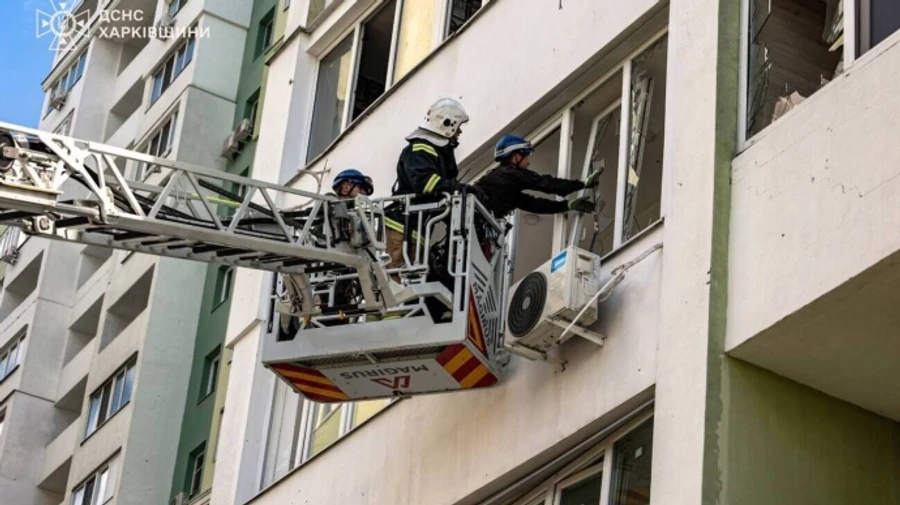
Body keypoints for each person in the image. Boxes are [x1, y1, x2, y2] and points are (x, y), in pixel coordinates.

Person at [384, 97, 485, 273]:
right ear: (447, 124)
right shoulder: (420, 149)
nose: (460, 132)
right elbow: (426, 184)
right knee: (397, 278)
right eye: (458, 127)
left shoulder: (435, 151)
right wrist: (456, 188)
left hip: (417, 227)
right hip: (402, 226)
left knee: (410, 278)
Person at [474, 134, 601, 220]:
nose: (528, 162)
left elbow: (534, 205)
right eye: (526, 156)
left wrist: (567, 205)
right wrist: (582, 184)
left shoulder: (505, 185)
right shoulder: (510, 174)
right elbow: (547, 184)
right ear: (516, 157)